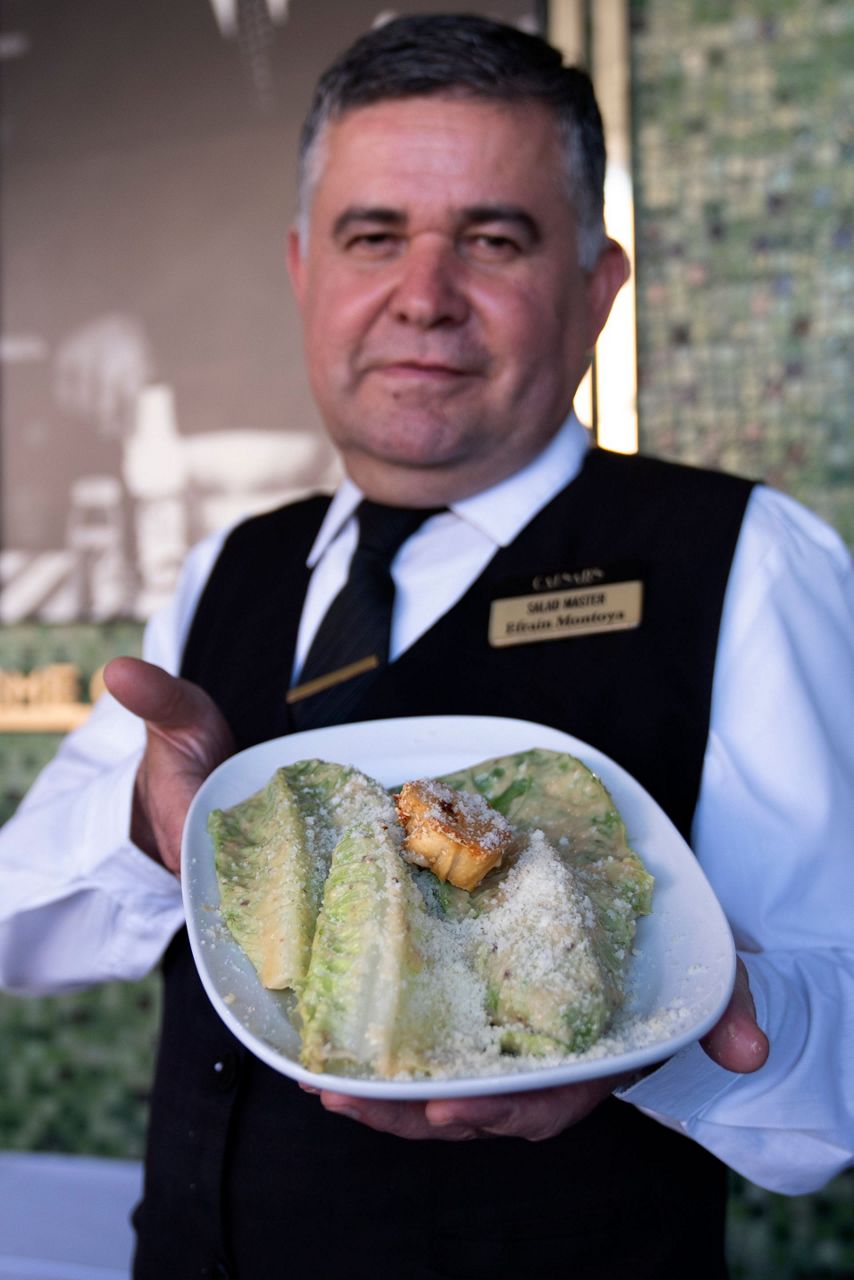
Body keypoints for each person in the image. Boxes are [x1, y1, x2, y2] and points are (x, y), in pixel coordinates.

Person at [1, 14, 852, 1279]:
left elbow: (831, 1060)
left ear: (596, 287)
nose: (423, 295)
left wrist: (680, 1022)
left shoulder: (748, 555)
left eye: (493, 239)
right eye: (372, 235)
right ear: (304, 269)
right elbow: (18, 931)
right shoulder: (228, 565)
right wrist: (147, 820)